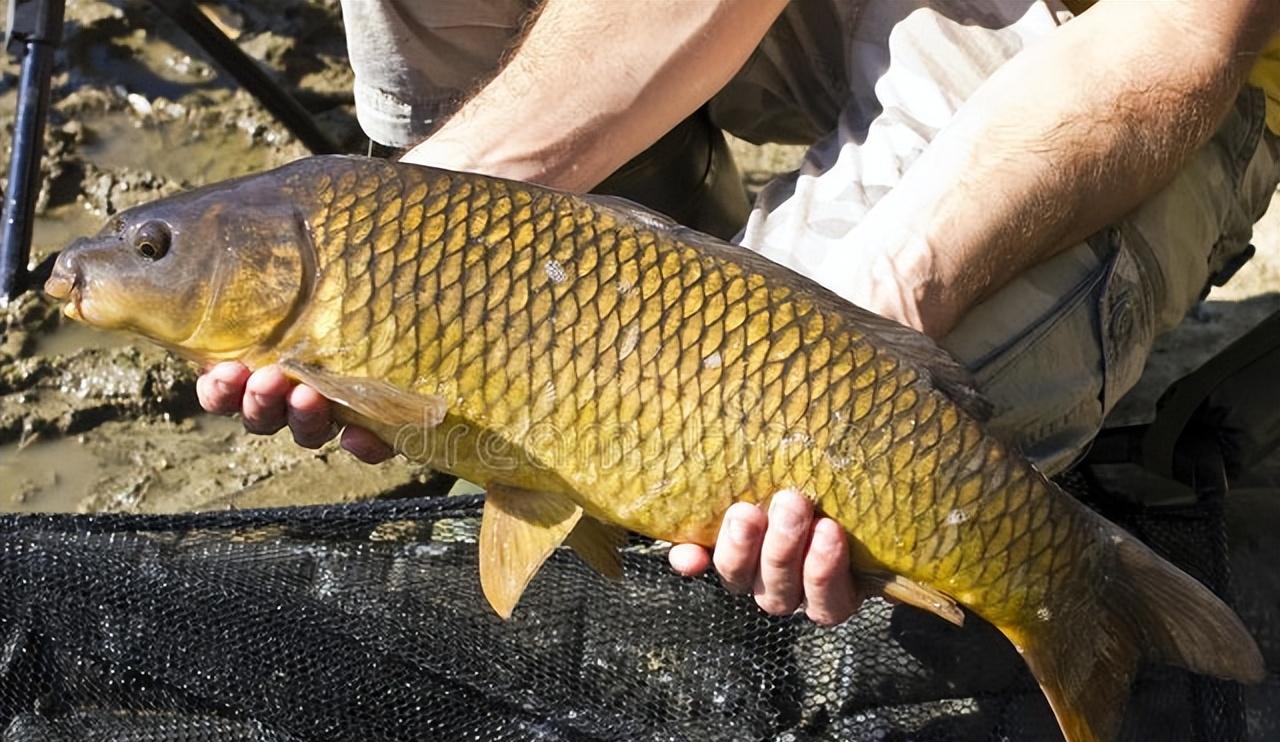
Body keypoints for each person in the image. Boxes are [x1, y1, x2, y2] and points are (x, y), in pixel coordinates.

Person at [197, 0, 1280, 627]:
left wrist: (837, 333)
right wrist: (432, 202)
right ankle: (576, 327)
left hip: (1143, 48)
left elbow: (1180, 31)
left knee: (865, 443)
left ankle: (1068, 587)